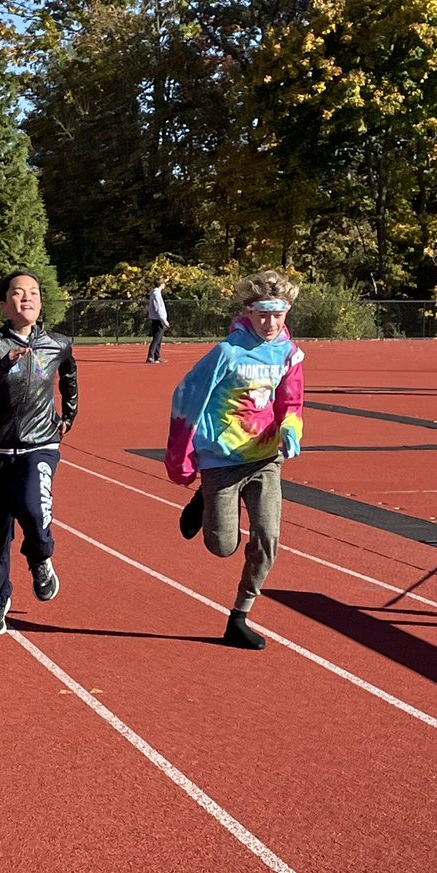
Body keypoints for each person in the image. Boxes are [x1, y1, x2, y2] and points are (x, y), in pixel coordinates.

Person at [164, 270, 305, 650]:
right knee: (222, 546)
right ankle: (204, 498)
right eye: (263, 314)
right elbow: (186, 397)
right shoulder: (228, 352)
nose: (271, 323)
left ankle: (239, 616)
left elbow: (290, 402)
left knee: (268, 538)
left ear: (287, 312)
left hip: (265, 459)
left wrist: (291, 429)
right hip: (221, 461)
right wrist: (183, 456)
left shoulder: (289, 354)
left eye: (278, 314)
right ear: (248, 310)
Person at [0, 270, 79, 636]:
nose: (26, 298)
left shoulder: (58, 344)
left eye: (32, 292)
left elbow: (70, 375)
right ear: (4, 304)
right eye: (17, 293)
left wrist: (70, 412)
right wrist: (3, 365)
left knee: (33, 508)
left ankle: (40, 555)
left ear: (41, 302)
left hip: (39, 445)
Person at [146, 277, 170, 363]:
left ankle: (157, 356)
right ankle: (150, 357)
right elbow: (158, 308)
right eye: (164, 283)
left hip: (158, 319)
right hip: (158, 319)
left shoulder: (156, 293)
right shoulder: (156, 294)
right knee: (156, 339)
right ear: (161, 284)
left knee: (159, 339)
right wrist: (163, 320)